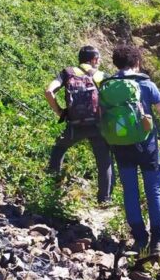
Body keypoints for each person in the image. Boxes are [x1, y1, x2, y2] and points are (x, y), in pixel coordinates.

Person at [105, 45, 160, 255]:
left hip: (121, 144)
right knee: (153, 189)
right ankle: (158, 240)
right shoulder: (146, 84)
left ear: (116, 63)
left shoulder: (108, 85)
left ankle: (140, 238)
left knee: (130, 190)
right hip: (146, 146)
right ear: (137, 62)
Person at [45, 45, 114, 204]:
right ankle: (104, 200)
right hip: (97, 125)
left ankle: (51, 189)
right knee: (104, 161)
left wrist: (60, 112)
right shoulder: (102, 76)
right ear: (94, 59)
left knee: (59, 149)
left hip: (74, 125)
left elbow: (49, 92)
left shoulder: (68, 73)